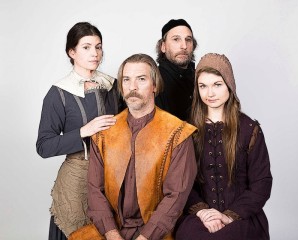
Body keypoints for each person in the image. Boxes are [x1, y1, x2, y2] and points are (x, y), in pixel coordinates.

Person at [87, 53, 197, 240]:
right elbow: (94, 190)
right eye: (127, 80)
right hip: (111, 231)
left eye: (141, 79)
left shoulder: (178, 133)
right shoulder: (103, 133)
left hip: (156, 233)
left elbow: (175, 197)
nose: (133, 87)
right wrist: (112, 234)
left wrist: (145, 237)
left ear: (155, 85)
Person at [36, 22, 120, 240]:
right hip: (77, 180)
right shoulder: (58, 93)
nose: (95, 53)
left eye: (98, 47)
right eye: (86, 47)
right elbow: (44, 146)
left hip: (112, 177)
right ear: (71, 52)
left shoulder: (113, 86)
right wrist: (83, 131)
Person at [175, 53, 273, 240]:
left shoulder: (249, 129)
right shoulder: (187, 130)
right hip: (200, 217)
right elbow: (181, 182)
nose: (209, 93)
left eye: (217, 85)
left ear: (229, 85)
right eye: (203, 86)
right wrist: (203, 212)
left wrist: (228, 216)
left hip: (241, 216)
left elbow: (262, 183)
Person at [155, 18, 197, 121]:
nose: (184, 46)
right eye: (176, 39)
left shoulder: (201, 78)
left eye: (188, 40)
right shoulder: (154, 81)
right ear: (163, 46)